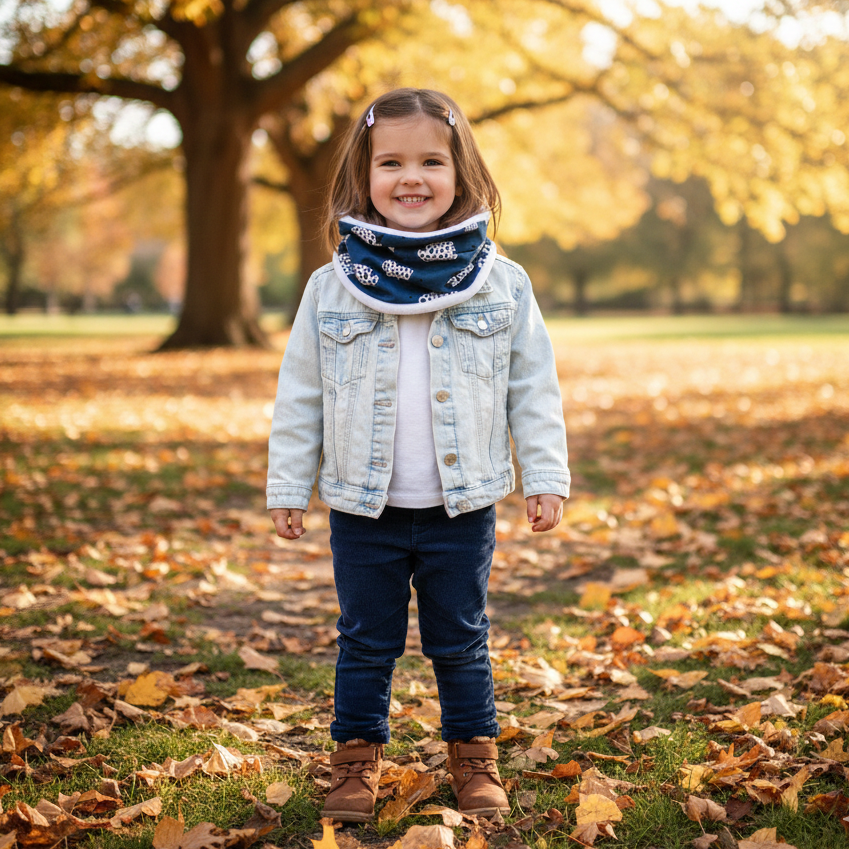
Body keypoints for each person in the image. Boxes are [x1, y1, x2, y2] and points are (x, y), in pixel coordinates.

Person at [267, 88, 570, 823]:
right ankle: (354, 763)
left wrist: (544, 473)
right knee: (364, 643)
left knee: (460, 640)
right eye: (391, 161)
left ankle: (473, 757)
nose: (412, 176)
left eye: (431, 160)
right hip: (361, 507)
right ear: (363, 176)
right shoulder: (333, 285)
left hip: (458, 507)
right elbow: (300, 391)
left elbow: (531, 385)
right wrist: (287, 484)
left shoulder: (499, 281)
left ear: (461, 175)